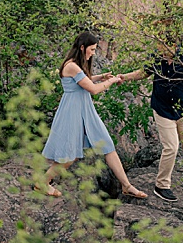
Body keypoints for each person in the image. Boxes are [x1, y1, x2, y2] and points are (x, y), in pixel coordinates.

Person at [41, 30, 147, 199]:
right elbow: (93, 90)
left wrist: (100, 77)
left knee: (108, 146)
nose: (93, 53)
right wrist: (110, 81)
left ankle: (127, 185)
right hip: (73, 112)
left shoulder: (75, 66)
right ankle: (43, 182)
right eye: (92, 49)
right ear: (82, 48)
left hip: (85, 111)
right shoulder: (71, 66)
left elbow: (85, 80)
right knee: (69, 157)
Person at [120, 36, 183, 203]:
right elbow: (142, 73)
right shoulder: (156, 59)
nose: (161, 48)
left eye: (164, 45)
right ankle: (162, 185)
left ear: (174, 45)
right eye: (159, 44)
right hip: (162, 110)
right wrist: (124, 77)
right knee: (171, 147)